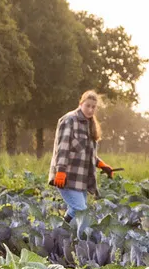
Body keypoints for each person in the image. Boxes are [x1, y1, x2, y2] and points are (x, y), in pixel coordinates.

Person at [48, 90, 122, 233]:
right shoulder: (69, 120)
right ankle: (71, 237)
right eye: (87, 106)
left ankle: (58, 234)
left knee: (75, 210)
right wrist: (61, 170)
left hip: (80, 179)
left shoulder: (90, 125)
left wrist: (102, 165)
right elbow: (62, 148)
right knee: (81, 210)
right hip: (66, 177)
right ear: (81, 103)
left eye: (93, 107)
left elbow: (88, 153)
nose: (90, 109)